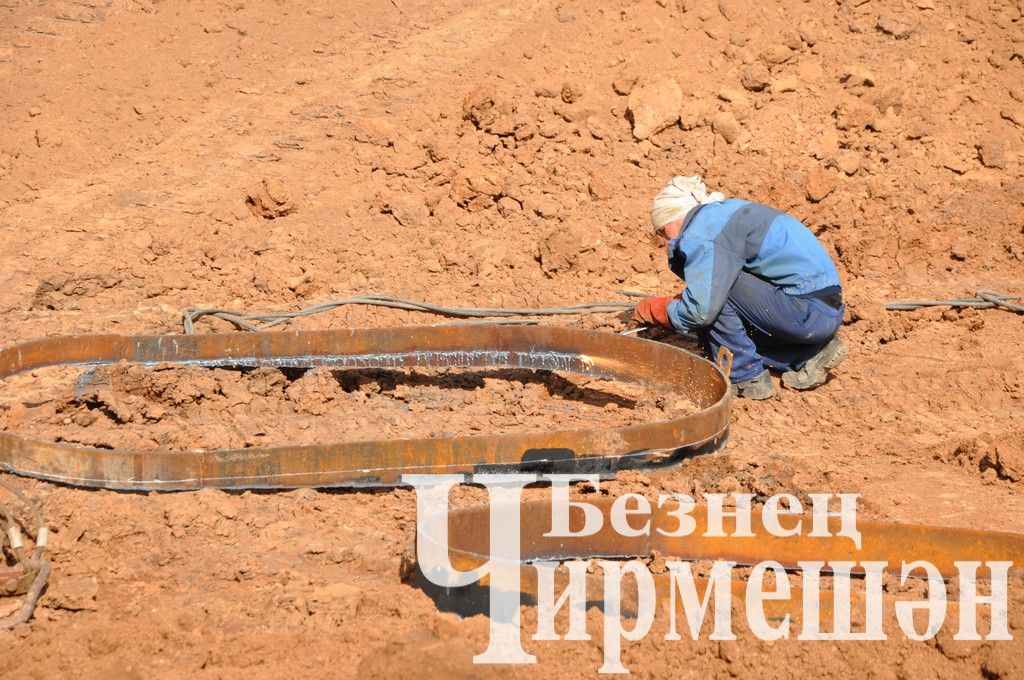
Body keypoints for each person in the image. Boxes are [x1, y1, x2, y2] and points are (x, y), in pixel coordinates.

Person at [632, 175, 847, 399]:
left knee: (714, 304)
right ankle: (809, 354)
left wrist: (660, 311)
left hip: (804, 312)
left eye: (662, 233)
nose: (666, 242)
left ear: (672, 219)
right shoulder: (723, 215)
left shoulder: (701, 231)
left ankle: (745, 376)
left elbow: (701, 311)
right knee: (718, 327)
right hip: (822, 311)